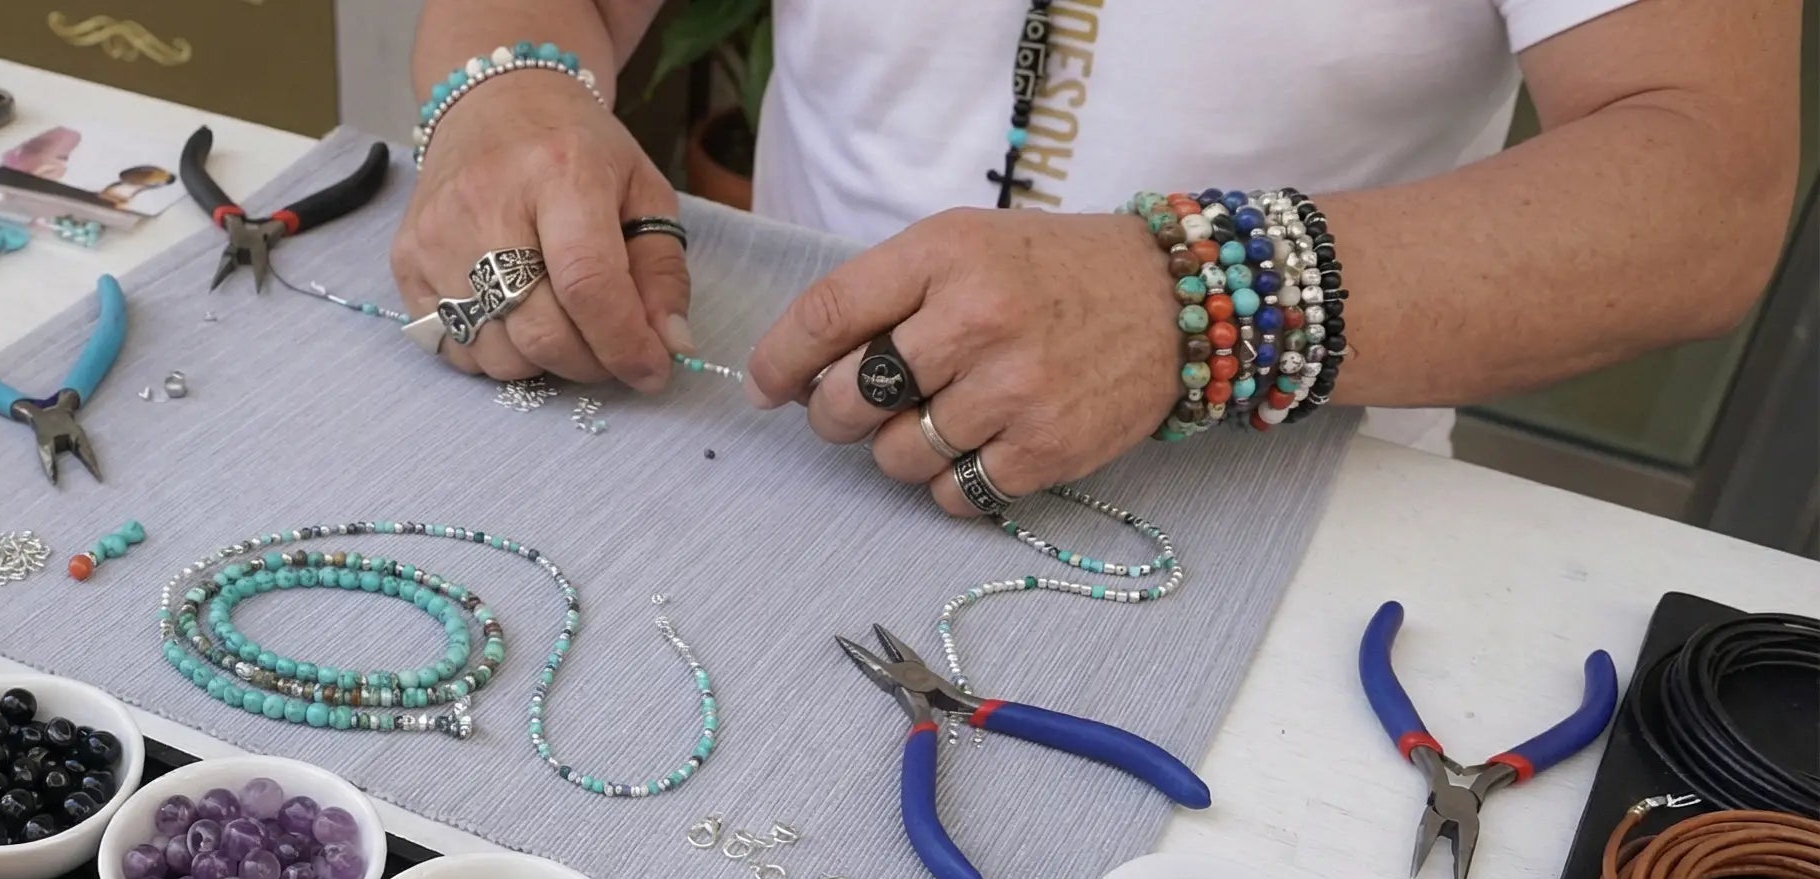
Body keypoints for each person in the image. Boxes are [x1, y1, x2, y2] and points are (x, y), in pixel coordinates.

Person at [392, 0, 1799, 514]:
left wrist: (1190, 302)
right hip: (760, 428)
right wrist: (506, 93)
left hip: (1267, 492)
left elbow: (1701, 187)